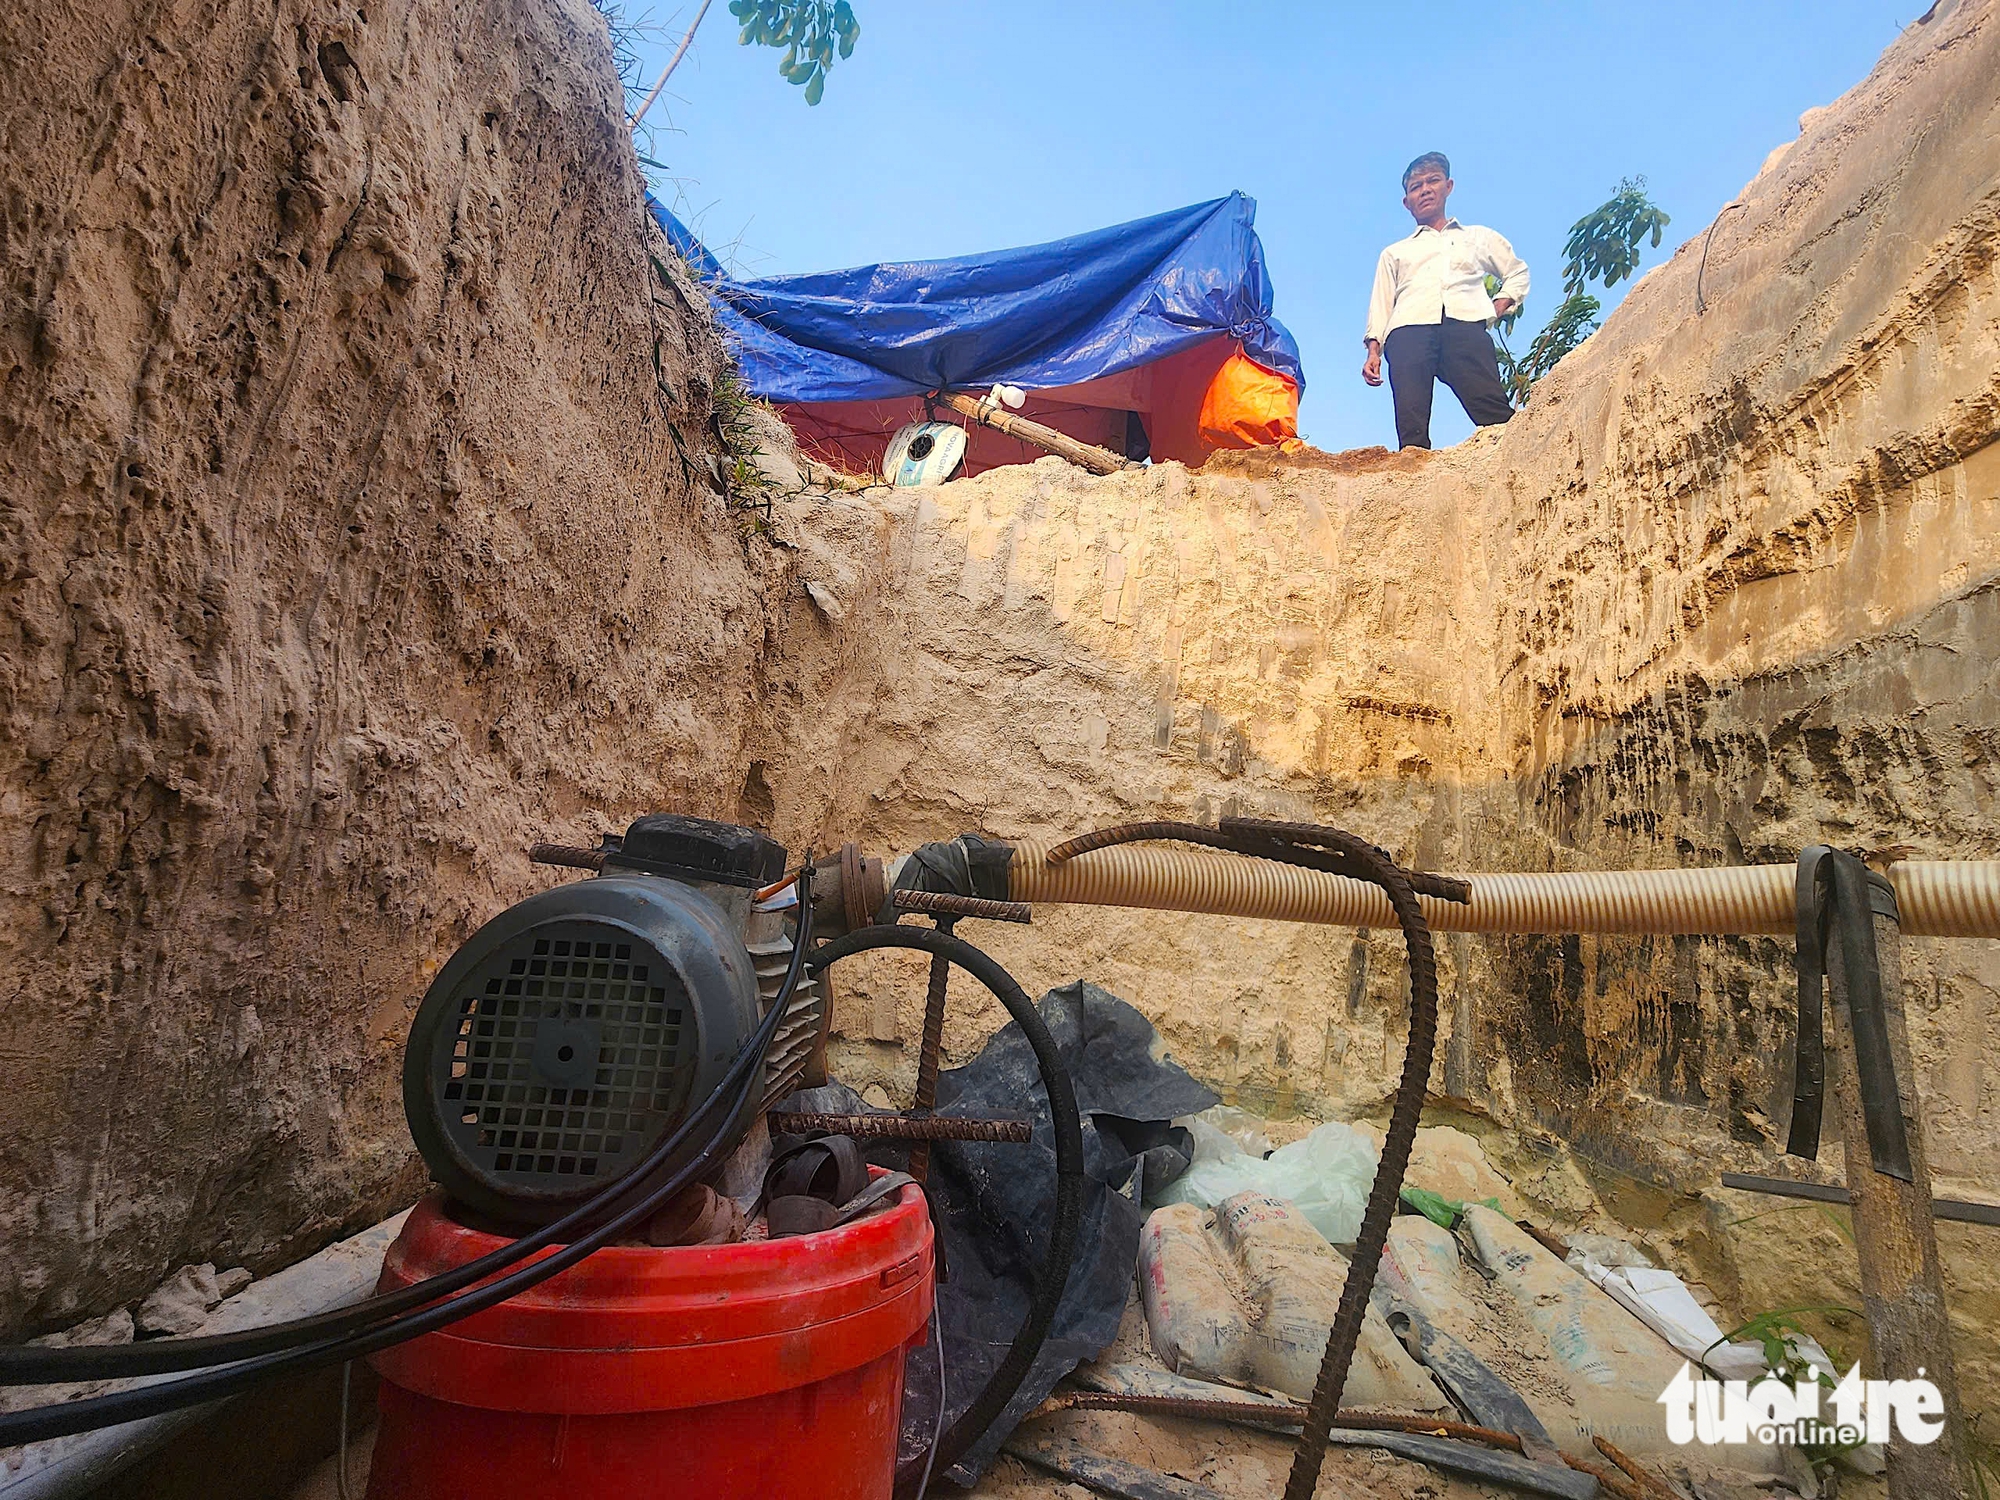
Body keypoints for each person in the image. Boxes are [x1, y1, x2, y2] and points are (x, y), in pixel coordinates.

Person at [1362, 152, 1529, 450]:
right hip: (1408, 330)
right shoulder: (1395, 252)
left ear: (1448, 186)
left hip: (1465, 327)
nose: (1425, 190)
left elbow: (1516, 272)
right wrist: (1373, 350)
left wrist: (1497, 306)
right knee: (1411, 423)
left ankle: (1515, 463)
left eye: (1432, 181)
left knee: (1494, 414)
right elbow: (1381, 303)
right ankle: (1415, 481)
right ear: (1407, 202)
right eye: (1416, 187)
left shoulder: (1478, 237)